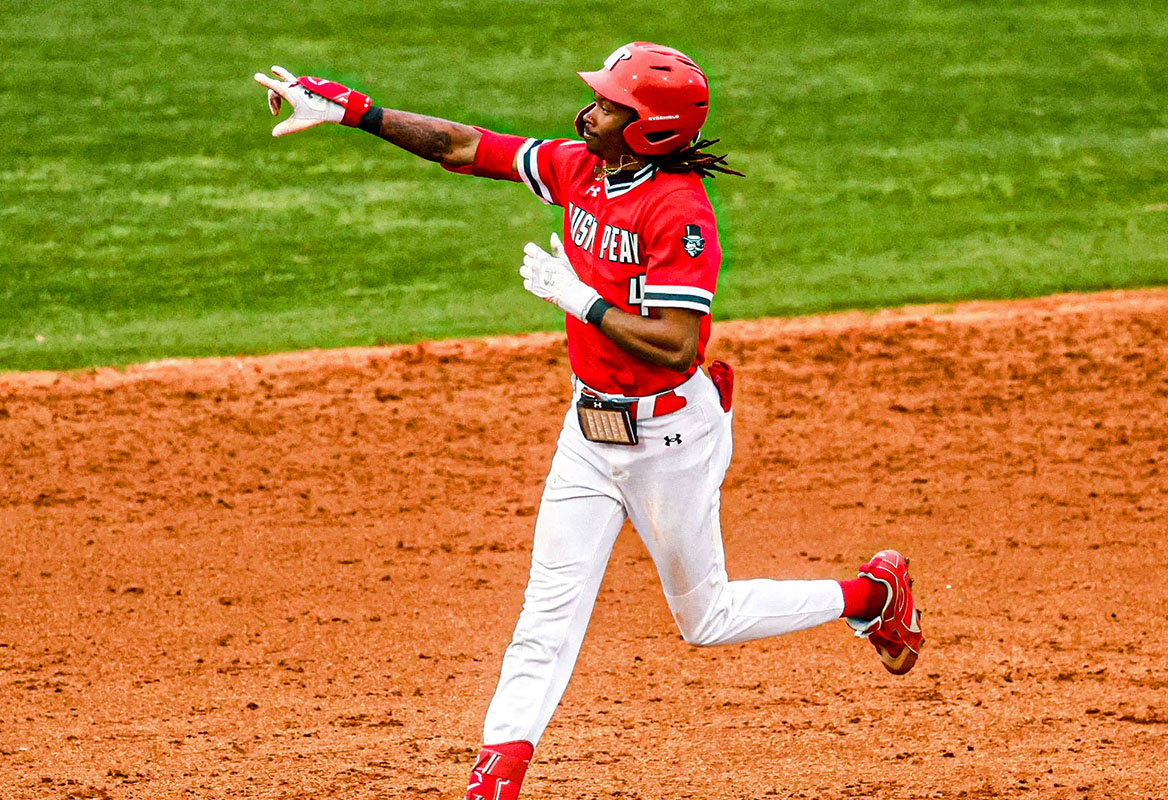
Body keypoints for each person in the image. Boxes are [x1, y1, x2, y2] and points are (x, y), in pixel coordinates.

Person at [254, 42, 923, 800]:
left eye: (609, 106)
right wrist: (358, 112)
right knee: (547, 614)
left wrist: (582, 301)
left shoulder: (678, 211)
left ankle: (871, 597)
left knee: (705, 619)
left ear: (651, 130)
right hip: (588, 433)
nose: (589, 111)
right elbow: (468, 147)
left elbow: (675, 348)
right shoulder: (580, 167)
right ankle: (495, 776)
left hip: (672, 437)